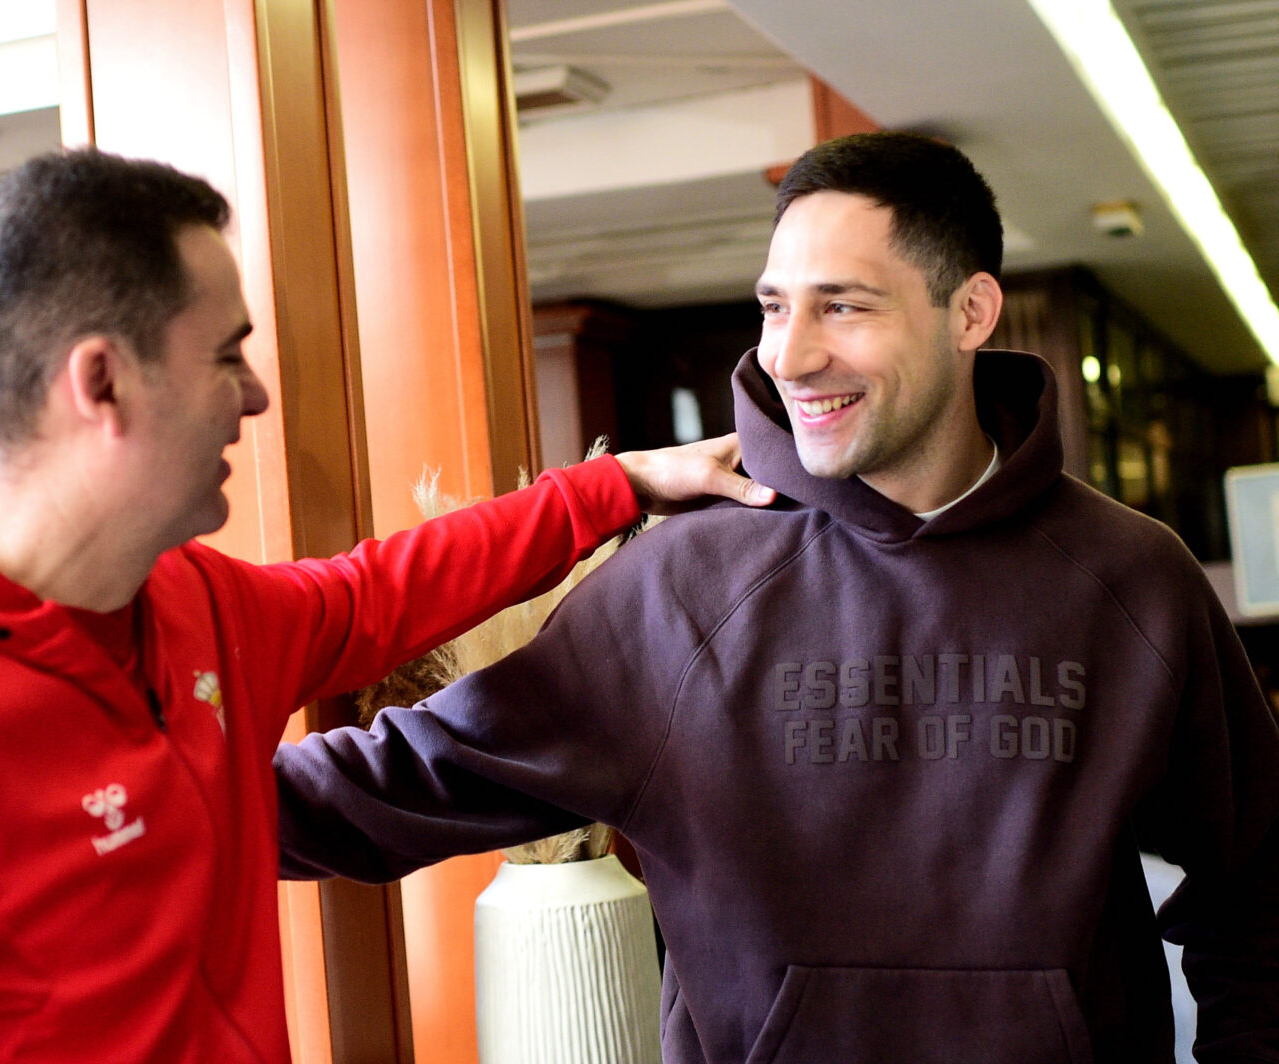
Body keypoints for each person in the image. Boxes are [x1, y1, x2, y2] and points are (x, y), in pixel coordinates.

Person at [0, 149, 771, 1062]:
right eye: (227, 353)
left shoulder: (191, 605)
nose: (253, 395)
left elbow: (373, 592)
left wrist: (615, 485)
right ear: (101, 382)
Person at [275, 131, 1279, 1063]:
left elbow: (1257, 891)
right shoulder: (680, 585)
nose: (789, 354)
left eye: (842, 304)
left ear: (969, 312)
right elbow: (396, 783)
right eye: (773, 304)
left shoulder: (1135, 577)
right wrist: (142, 798)